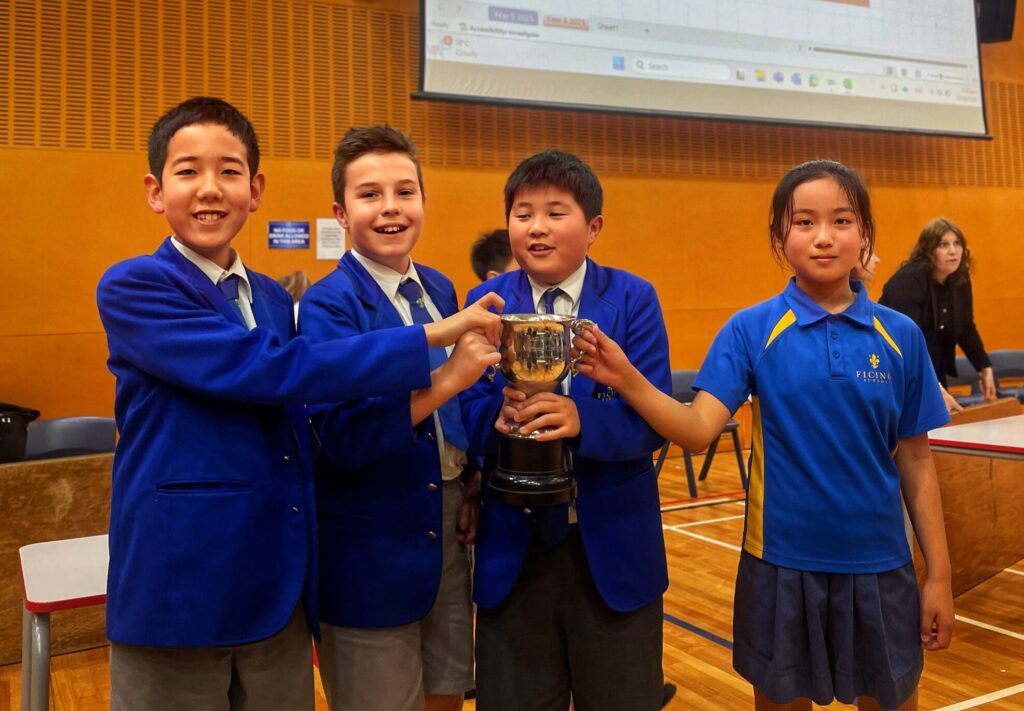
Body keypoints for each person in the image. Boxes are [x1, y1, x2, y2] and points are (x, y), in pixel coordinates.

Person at [96, 98, 501, 710]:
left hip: (279, 582)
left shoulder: (267, 294)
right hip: (181, 585)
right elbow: (268, 371)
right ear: (155, 191)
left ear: (255, 190)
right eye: (188, 172)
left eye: (230, 171)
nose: (210, 189)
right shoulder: (134, 286)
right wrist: (435, 341)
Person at [573, 159, 954, 711]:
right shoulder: (750, 330)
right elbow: (699, 430)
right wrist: (628, 380)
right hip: (780, 567)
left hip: (881, 568)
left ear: (865, 233)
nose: (823, 236)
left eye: (842, 221)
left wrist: (938, 577)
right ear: (780, 236)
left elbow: (917, 464)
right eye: (803, 222)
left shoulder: (900, 336)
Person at [299, 125, 501, 711]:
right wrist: (447, 382)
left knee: (447, 695)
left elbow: (459, 409)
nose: (390, 208)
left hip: (446, 529)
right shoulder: (327, 304)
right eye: (370, 194)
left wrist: (471, 480)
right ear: (341, 212)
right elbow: (344, 436)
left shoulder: (438, 285)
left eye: (405, 191)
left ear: (423, 201)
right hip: (371, 541)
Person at [462, 150, 672, 711]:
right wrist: (496, 420)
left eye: (556, 212)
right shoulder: (486, 302)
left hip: (613, 548)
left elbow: (652, 423)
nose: (536, 227)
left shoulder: (633, 299)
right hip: (514, 551)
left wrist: (582, 421)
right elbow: (468, 410)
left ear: (593, 227)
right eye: (523, 212)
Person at [880, 217, 996, 413]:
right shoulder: (908, 281)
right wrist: (936, 388)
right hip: (899, 373)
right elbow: (906, 343)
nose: (953, 251)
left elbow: (966, 327)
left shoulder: (960, 280)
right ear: (928, 250)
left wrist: (984, 366)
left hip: (935, 370)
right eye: (944, 244)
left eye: (957, 243)